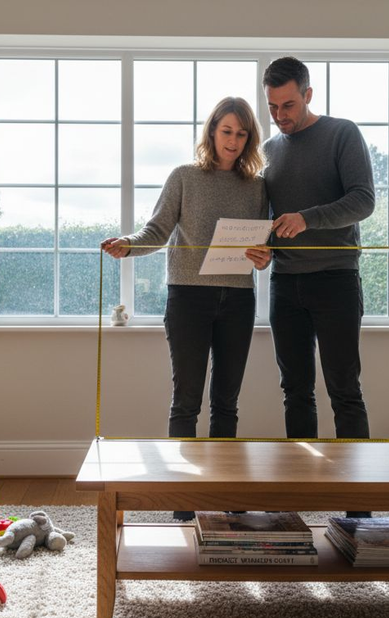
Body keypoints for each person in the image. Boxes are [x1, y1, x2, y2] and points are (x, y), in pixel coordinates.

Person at [102, 97, 269, 520]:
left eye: (241, 133)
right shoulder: (184, 177)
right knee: (186, 401)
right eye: (226, 131)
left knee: (226, 403)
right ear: (212, 131)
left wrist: (265, 257)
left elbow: (264, 246)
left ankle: (223, 494)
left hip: (238, 299)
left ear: (249, 139)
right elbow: (157, 230)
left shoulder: (257, 186)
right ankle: (184, 501)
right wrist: (128, 245)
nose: (233, 140)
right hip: (188, 298)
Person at [246, 57, 375, 458]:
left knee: (344, 390)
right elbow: (270, 220)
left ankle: (357, 495)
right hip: (285, 285)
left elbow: (363, 200)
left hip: (336, 279)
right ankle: (300, 485)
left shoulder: (342, 133)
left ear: (308, 95)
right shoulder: (268, 150)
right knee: (295, 392)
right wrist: (265, 250)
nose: (279, 115)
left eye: (288, 105)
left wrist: (307, 218)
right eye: (272, 107)